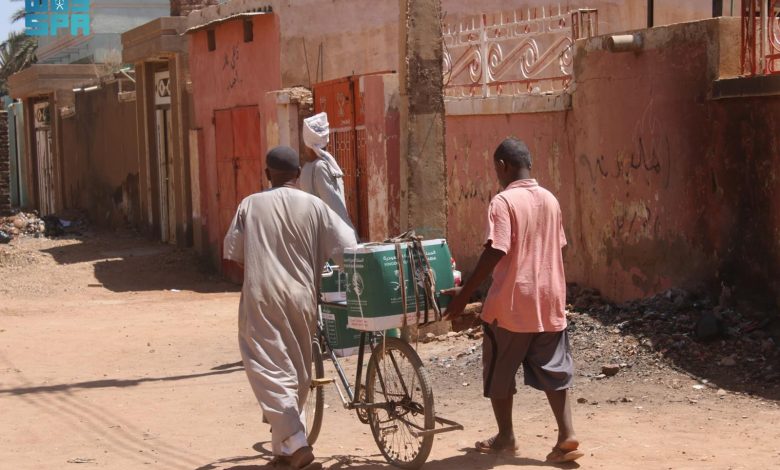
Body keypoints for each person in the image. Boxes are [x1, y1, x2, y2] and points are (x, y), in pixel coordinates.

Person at [443, 138, 583, 463]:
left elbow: (497, 248)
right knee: (554, 368)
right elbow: (560, 247)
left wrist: (465, 295)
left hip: (511, 305)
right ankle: (566, 434)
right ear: (528, 164)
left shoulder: (503, 201)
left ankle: (505, 437)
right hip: (550, 301)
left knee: (499, 370)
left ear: (502, 166)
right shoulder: (550, 199)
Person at [223, 146, 357, 470]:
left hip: (262, 294)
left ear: (267, 174)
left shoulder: (250, 204)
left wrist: (257, 270)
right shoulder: (316, 206)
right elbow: (348, 249)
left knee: (268, 367)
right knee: (297, 369)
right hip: (303, 296)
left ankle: (296, 443)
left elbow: (233, 255)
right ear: (298, 174)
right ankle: (283, 450)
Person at [299, 112, 354, 231]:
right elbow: (335, 208)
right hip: (329, 234)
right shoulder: (321, 167)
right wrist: (349, 233)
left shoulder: (306, 169)